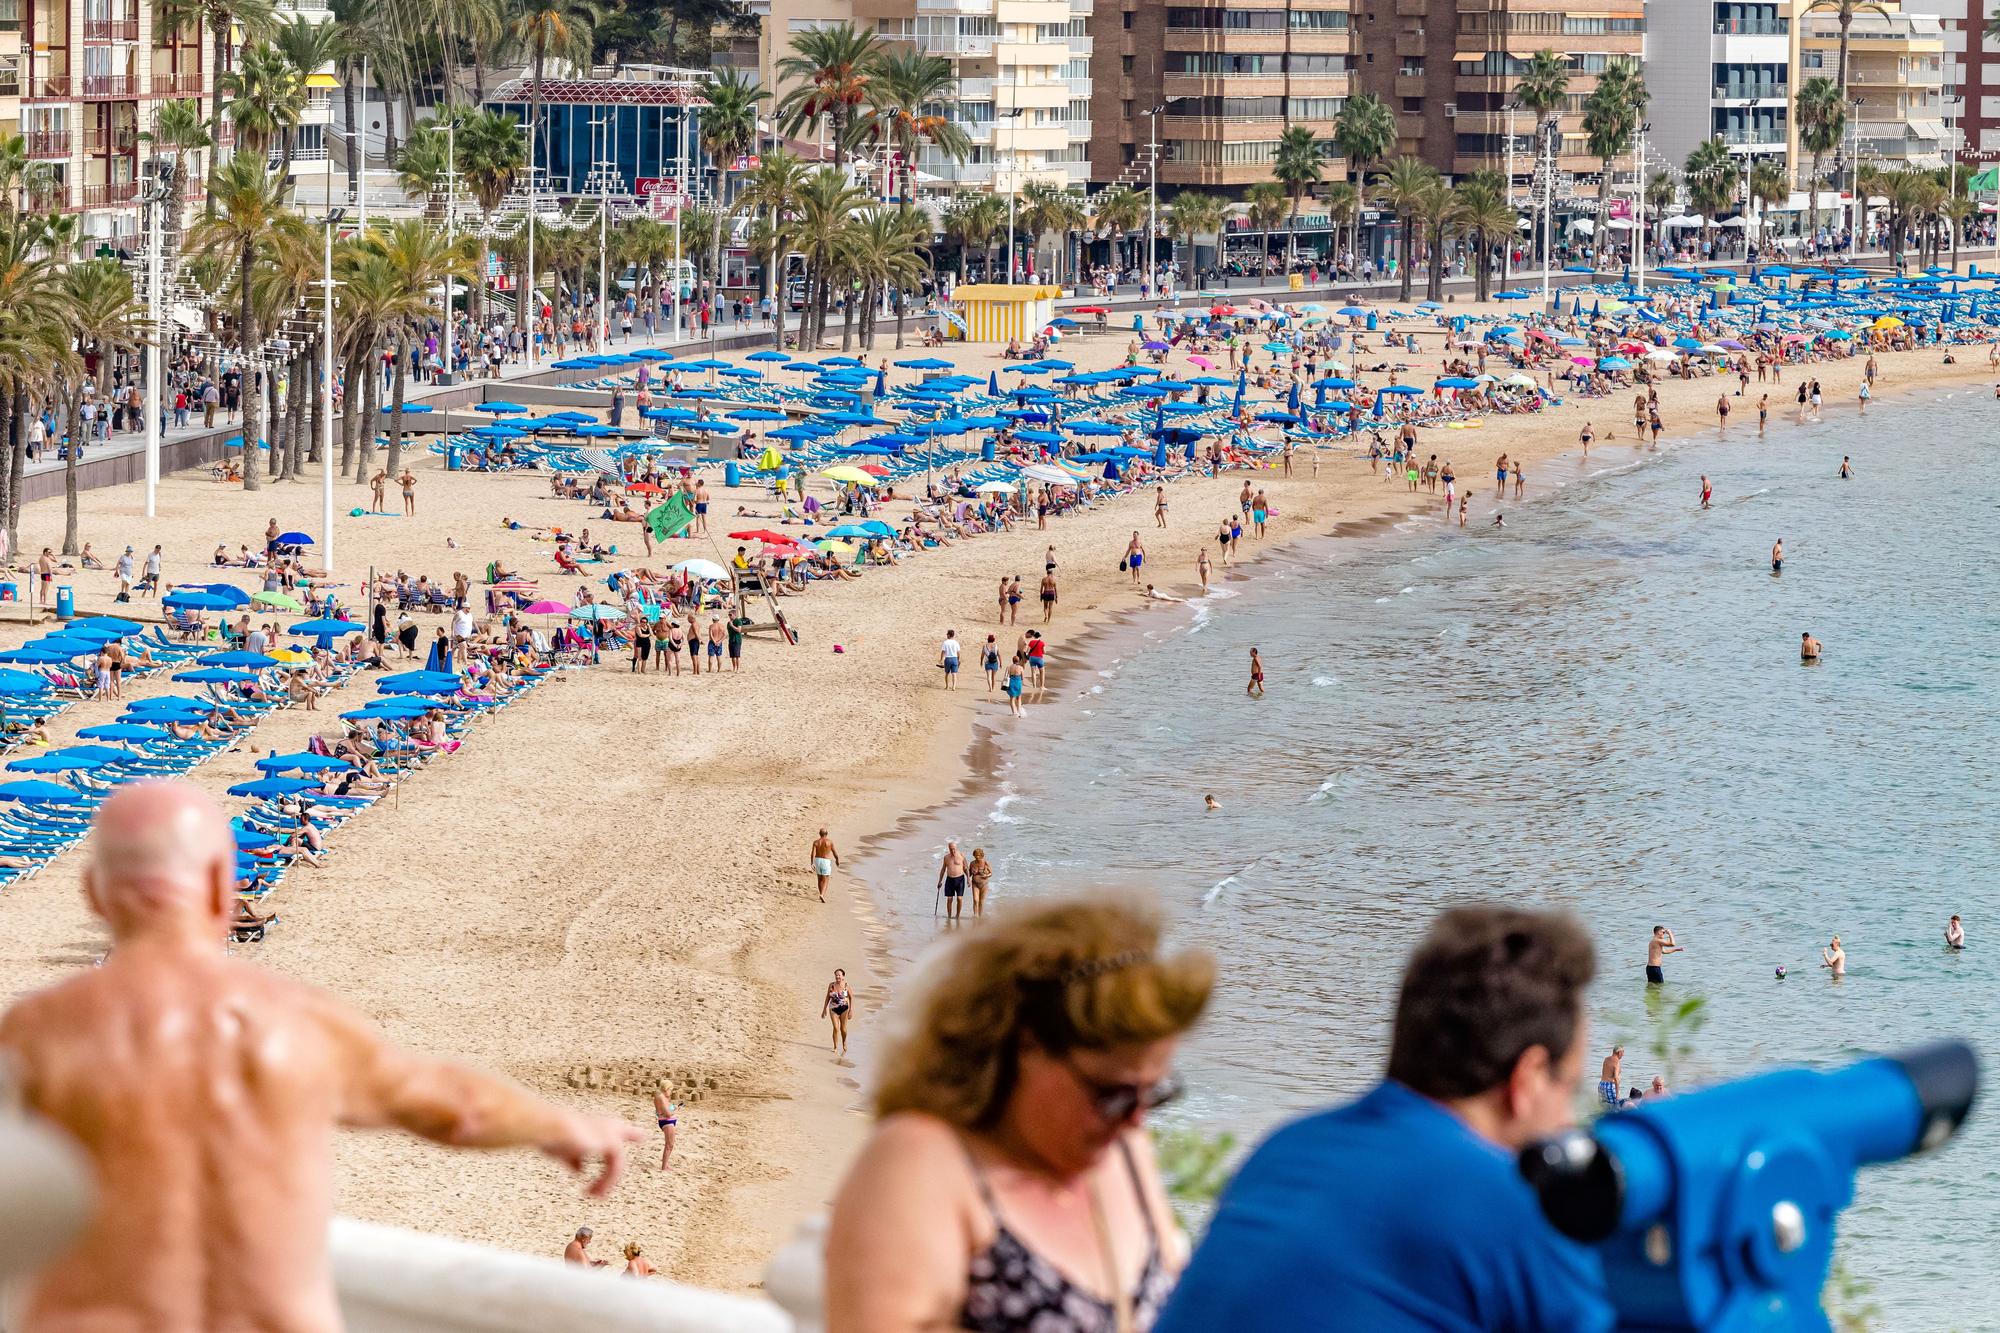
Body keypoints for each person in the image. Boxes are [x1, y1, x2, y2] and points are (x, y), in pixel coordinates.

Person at [0, 782, 641, 1333]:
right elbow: (458, 1109)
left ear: (93, 894)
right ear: (223, 887)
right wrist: (558, 1124)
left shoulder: (36, 1035)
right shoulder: (296, 1023)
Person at [1155, 905, 1610, 1333]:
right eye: (1568, 1087)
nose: (1568, 1121)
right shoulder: (1509, 1208)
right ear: (1527, 1079)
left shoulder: (1286, 1150)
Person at [825, 898, 1213, 1333]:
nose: (1136, 1120)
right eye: (1113, 1094)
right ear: (1028, 1046)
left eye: (1154, 1092)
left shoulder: (1125, 1151)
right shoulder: (922, 1161)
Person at [822, 968, 855, 1056]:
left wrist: (851, 1010)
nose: (837, 976)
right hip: (833, 1008)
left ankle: (844, 1042)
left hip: (844, 1008)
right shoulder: (831, 985)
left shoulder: (846, 986)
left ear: (843, 976)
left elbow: (851, 998)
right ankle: (835, 1047)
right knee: (836, 1028)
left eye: (839, 975)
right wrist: (824, 1009)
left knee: (843, 1029)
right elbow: (827, 997)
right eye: (836, 975)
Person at [937, 841, 968, 921]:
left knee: (959, 899)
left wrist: (968, 879)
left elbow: (966, 867)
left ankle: (957, 916)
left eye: (954, 849)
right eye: (951, 849)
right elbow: (943, 869)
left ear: (956, 848)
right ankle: (949, 917)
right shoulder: (946, 857)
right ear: (949, 849)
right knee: (949, 899)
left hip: (960, 879)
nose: (953, 851)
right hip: (949, 879)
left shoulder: (961, 855)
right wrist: (940, 881)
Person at [812, 827, 841, 903]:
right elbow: (835, 852)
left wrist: (812, 863)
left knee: (819, 878)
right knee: (826, 878)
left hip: (817, 860)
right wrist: (837, 860)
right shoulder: (829, 842)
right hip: (825, 860)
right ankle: (822, 894)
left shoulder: (816, 842)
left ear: (819, 834)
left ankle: (821, 893)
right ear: (826, 834)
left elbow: (813, 854)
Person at [653, 1086, 680, 1170]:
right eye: (670, 1089)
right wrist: (677, 1110)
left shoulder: (662, 1097)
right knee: (669, 1145)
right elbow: (668, 1114)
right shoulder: (661, 1097)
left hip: (667, 1122)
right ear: (666, 1089)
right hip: (667, 1122)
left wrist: (673, 1107)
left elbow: (661, 1112)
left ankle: (665, 1165)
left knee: (670, 1145)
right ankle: (664, 1167)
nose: (671, 1092)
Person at [967, 847, 993, 918]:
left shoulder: (985, 862)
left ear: (981, 855)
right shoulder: (972, 863)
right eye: (975, 855)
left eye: (978, 855)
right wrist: (968, 879)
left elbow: (991, 873)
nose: (977, 856)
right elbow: (969, 874)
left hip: (984, 884)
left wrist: (986, 875)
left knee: (981, 901)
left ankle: (980, 916)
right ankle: (975, 915)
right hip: (975, 883)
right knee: (975, 900)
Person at [1598, 1045, 1624, 1111]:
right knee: (1615, 1108)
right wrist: (1617, 1094)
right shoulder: (1616, 1062)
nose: (1623, 1055)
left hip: (1602, 1084)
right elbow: (1616, 1078)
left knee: (1603, 1107)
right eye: (1623, 1053)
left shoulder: (1606, 1059)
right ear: (1619, 1053)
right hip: (1609, 1086)